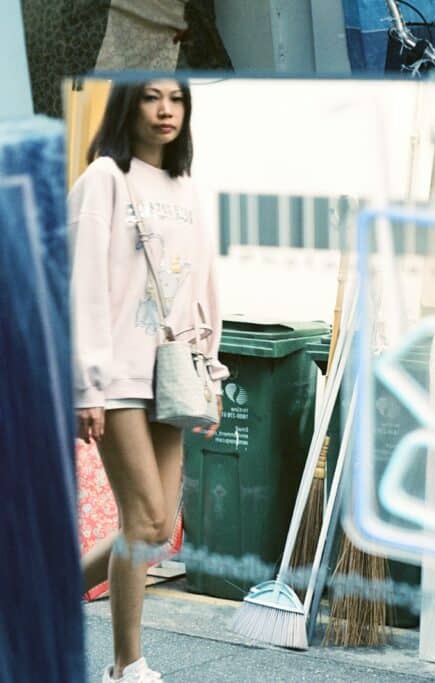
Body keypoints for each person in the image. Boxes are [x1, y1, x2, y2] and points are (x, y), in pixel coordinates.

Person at [70, 80, 228, 683]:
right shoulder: (105, 179)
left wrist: (208, 373)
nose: (166, 110)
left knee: (159, 527)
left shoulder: (185, 189)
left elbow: (203, 289)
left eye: (177, 100)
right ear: (127, 105)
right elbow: (81, 285)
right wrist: (86, 385)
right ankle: (127, 666)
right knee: (141, 521)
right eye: (151, 97)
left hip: (171, 374)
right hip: (116, 377)